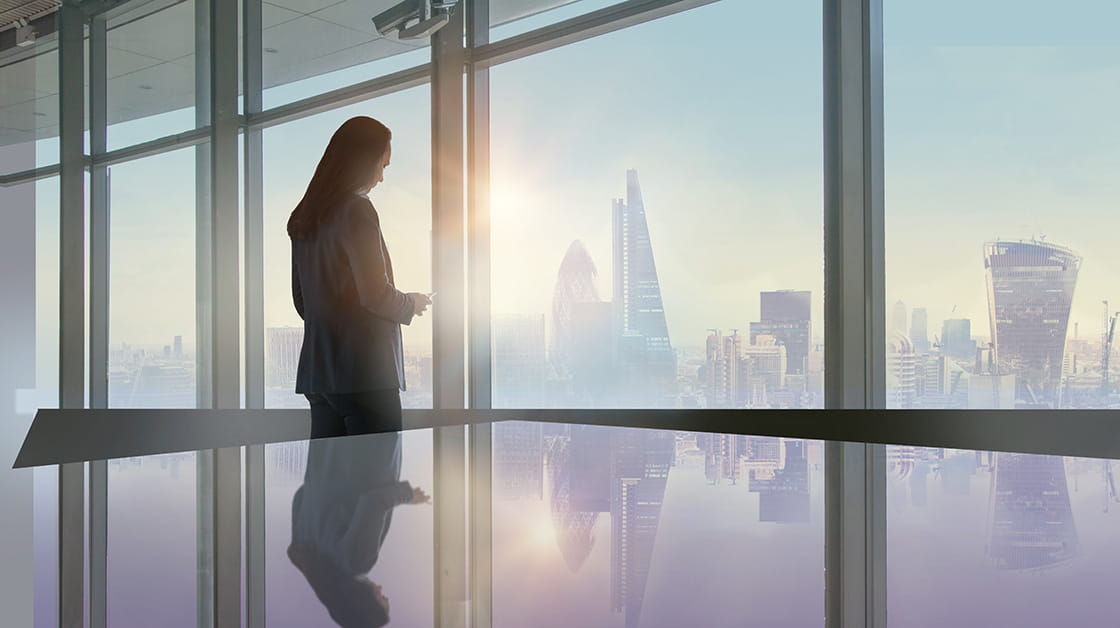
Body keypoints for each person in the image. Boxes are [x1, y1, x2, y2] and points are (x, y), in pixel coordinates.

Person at [288, 116, 432, 437]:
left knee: (329, 468)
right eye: (382, 166)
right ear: (365, 161)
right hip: (365, 375)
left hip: (318, 375)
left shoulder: (304, 215)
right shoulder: (357, 209)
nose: (381, 177)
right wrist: (411, 303)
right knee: (377, 465)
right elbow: (375, 293)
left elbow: (302, 301)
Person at [288, 431, 431, 627]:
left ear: (364, 603)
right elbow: (300, 496)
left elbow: (374, 502)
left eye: (381, 598)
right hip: (325, 446)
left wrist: (408, 495)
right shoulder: (304, 551)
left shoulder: (355, 561)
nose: (380, 588)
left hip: (367, 445)